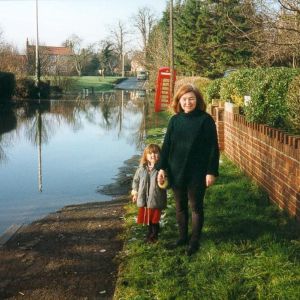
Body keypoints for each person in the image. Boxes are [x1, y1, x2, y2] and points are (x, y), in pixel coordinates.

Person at [156, 84, 219, 256]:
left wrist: (211, 171)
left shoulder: (206, 120)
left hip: (197, 173)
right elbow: (167, 146)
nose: (188, 102)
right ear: (179, 101)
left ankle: (194, 241)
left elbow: (213, 148)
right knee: (180, 207)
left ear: (197, 100)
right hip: (177, 171)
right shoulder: (175, 120)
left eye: (191, 99)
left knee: (196, 207)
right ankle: (182, 237)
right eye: (184, 99)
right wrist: (161, 168)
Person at [131, 144, 167, 243]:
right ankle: (149, 233)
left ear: (160, 154)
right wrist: (135, 192)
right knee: (148, 219)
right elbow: (136, 181)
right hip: (144, 199)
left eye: (155, 153)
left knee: (155, 219)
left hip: (156, 199)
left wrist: (163, 181)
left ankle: (154, 236)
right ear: (146, 156)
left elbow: (166, 183)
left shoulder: (161, 169)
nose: (153, 155)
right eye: (150, 153)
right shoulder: (141, 168)